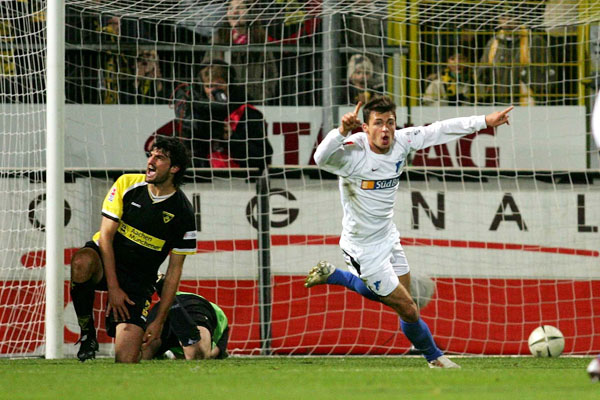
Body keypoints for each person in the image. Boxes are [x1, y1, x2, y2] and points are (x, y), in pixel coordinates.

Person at [306, 95, 513, 368]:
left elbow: (439, 130)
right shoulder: (352, 151)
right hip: (362, 248)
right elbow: (320, 158)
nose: (385, 129)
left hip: (387, 237)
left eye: (390, 122)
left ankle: (336, 275)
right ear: (365, 128)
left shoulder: (402, 141)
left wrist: (485, 121)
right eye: (378, 123)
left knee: (400, 300)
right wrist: (341, 131)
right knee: (407, 307)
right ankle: (434, 357)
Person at [69, 137, 197, 363]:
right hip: (105, 261)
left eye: (159, 157)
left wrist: (159, 321)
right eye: (151, 155)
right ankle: (87, 333)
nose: (151, 161)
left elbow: (174, 271)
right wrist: (114, 288)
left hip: (138, 280)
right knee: (82, 262)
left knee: (126, 360)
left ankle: (163, 346)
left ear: (174, 168)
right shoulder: (127, 184)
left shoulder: (184, 213)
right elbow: (105, 237)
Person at [173, 58, 273, 171]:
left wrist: (232, 138)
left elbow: (263, 157)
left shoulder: (249, 114)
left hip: (239, 176)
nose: (213, 91)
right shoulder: (196, 114)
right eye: (208, 86)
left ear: (229, 84)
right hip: (203, 176)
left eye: (219, 85)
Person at [141, 275, 230, 360]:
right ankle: (169, 298)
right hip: (193, 306)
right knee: (198, 355)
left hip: (163, 308)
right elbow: (212, 355)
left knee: (139, 356)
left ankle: (168, 296)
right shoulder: (221, 338)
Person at [476, 12, 556, 105]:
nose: (507, 21)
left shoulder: (534, 41)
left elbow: (547, 74)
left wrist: (527, 78)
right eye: (503, 17)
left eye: (511, 17)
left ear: (520, 19)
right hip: (498, 101)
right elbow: (482, 72)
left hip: (527, 102)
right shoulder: (493, 43)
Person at [212, 0, 279, 103]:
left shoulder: (260, 38)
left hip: (254, 100)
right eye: (230, 8)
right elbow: (207, 70)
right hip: (224, 101)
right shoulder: (218, 38)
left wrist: (263, 96)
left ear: (250, 13)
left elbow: (271, 73)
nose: (234, 12)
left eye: (240, 8)